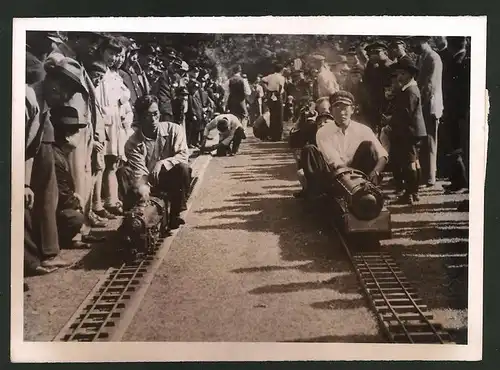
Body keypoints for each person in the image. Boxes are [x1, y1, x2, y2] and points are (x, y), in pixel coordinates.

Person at [25, 59, 88, 274]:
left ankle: (39, 258)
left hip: (23, 156)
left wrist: (25, 183)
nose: (66, 100)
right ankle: (29, 262)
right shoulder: (28, 99)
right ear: (55, 86)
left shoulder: (43, 105)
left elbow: (29, 150)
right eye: (66, 93)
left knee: (36, 193)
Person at [120, 95, 191, 230]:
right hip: (146, 180)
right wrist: (144, 188)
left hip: (168, 178)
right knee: (123, 172)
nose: (153, 119)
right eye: (147, 116)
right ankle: (132, 217)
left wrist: (162, 163)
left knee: (183, 168)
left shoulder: (174, 129)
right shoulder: (132, 143)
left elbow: (183, 155)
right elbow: (139, 171)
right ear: (140, 118)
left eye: (155, 114)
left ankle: (176, 214)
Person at [300, 91, 388, 197]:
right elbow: (334, 160)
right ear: (331, 111)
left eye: (345, 108)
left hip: (358, 175)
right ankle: (317, 194)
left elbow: (382, 155)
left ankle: (368, 189)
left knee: (368, 145)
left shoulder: (364, 130)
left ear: (353, 109)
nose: (341, 113)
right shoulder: (323, 132)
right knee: (309, 149)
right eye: (337, 108)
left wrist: (376, 171)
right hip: (334, 176)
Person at [388, 59, 427, 205]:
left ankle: (409, 193)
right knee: (414, 161)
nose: (399, 77)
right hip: (414, 131)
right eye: (398, 74)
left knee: (409, 163)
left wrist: (390, 121)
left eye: (403, 74)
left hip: (409, 132)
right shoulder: (409, 89)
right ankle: (414, 192)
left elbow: (405, 114)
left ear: (411, 75)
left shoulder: (410, 91)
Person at [51, 106, 91, 248]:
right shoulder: (56, 158)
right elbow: (62, 195)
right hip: (52, 213)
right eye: (77, 131)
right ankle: (61, 241)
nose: (80, 134)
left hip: (56, 208)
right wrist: (75, 201)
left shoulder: (60, 154)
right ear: (68, 135)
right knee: (74, 217)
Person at [411, 36, 444, 187]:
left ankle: (430, 177)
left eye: (415, 42)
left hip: (429, 105)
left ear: (423, 41)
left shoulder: (433, 58)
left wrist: (419, 102)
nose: (413, 45)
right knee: (424, 142)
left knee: (430, 141)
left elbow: (431, 85)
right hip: (422, 104)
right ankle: (425, 175)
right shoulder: (422, 58)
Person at [442, 37, 470, 198]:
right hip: (456, 112)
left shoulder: (462, 62)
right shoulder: (458, 60)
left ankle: (461, 182)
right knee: (455, 149)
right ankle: (458, 181)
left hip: (457, 113)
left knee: (459, 149)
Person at [262, 63, 286, 141]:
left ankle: (272, 134)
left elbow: (263, 80)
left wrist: (267, 89)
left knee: (272, 115)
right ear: (281, 70)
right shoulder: (281, 77)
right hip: (277, 95)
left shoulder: (270, 76)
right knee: (279, 116)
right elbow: (280, 87)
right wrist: (278, 92)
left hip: (271, 95)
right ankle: (278, 135)